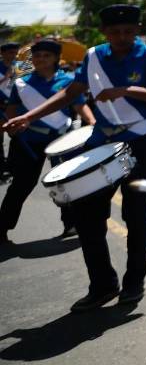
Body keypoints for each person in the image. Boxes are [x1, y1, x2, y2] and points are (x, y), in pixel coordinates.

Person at [5, 4, 146, 310]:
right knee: (86, 214)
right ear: (105, 32)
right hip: (101, 141)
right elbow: (72, 92)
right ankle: (103, 284)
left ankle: (133, 283)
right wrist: (28, 117)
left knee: (136, 216)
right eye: (114, 32)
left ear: (137, 29)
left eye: (128, 31)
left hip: (140, 142)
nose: (122, 36)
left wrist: (126, 90)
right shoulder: (94, 56)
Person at [1, 39, 94, 243]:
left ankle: (71, 224)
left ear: (55, 59)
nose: (40, 59)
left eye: (46, 55)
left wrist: (92, 122)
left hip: (62, 138)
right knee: (22, 184)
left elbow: (80, 106)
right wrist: (11, 129)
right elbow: (11, 110)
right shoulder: (21, 83)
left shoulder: (68, 81)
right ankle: (2, 227)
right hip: (29, 139)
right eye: (37, 56)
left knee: (66, 183)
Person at [0, 41, 20, 184]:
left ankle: (13, 166)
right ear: (2, 53)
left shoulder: (21, 67)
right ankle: (2, 169)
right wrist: (6, 76)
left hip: (16, 107)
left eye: (15, 52)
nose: (13, 55)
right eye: (10, 52)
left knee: (17, 136)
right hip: (0, 106)